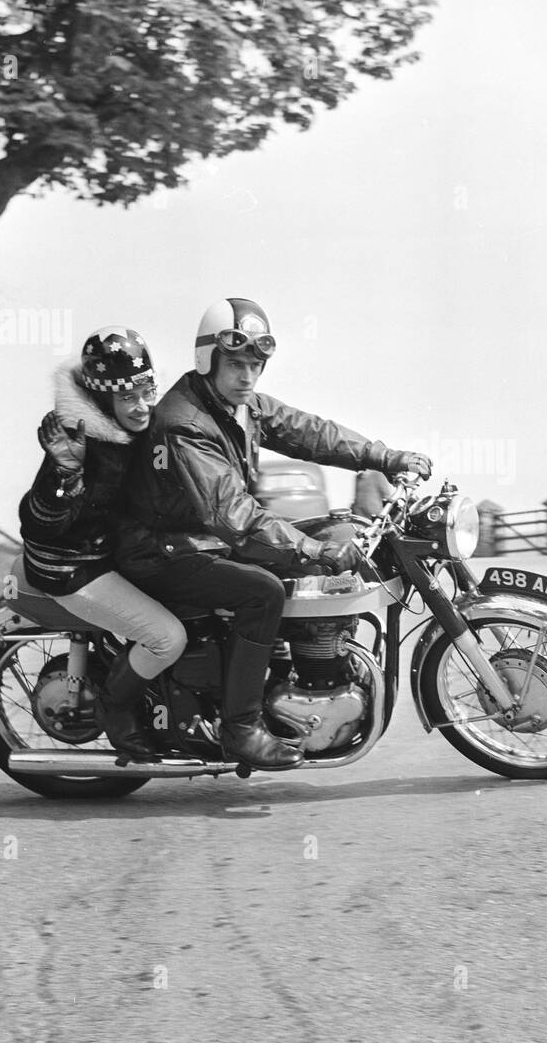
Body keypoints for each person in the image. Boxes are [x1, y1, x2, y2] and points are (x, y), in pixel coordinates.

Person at [116, 297, 431, 771]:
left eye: (255, 364)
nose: (247, 375)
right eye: (237, 363)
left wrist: (383, 457)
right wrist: (314, 551)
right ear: (209, 359)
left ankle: (299, 669)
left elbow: (312, 433)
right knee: (261, 592)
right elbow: (232, 514)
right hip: (159, 551)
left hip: (201, 539)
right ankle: (240, 728)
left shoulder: (242, 406)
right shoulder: (184, 423)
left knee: (335, 529)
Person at [19, 327, 187, 763]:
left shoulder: (139, 431)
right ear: (102, 401)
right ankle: (117, 711)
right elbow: (38, 525)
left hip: (116, 555)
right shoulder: (78, 440)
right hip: (72, 568)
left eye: (147, 389)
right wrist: (65, 476)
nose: (141, 404)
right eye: (127, 396)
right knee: (167, 638)